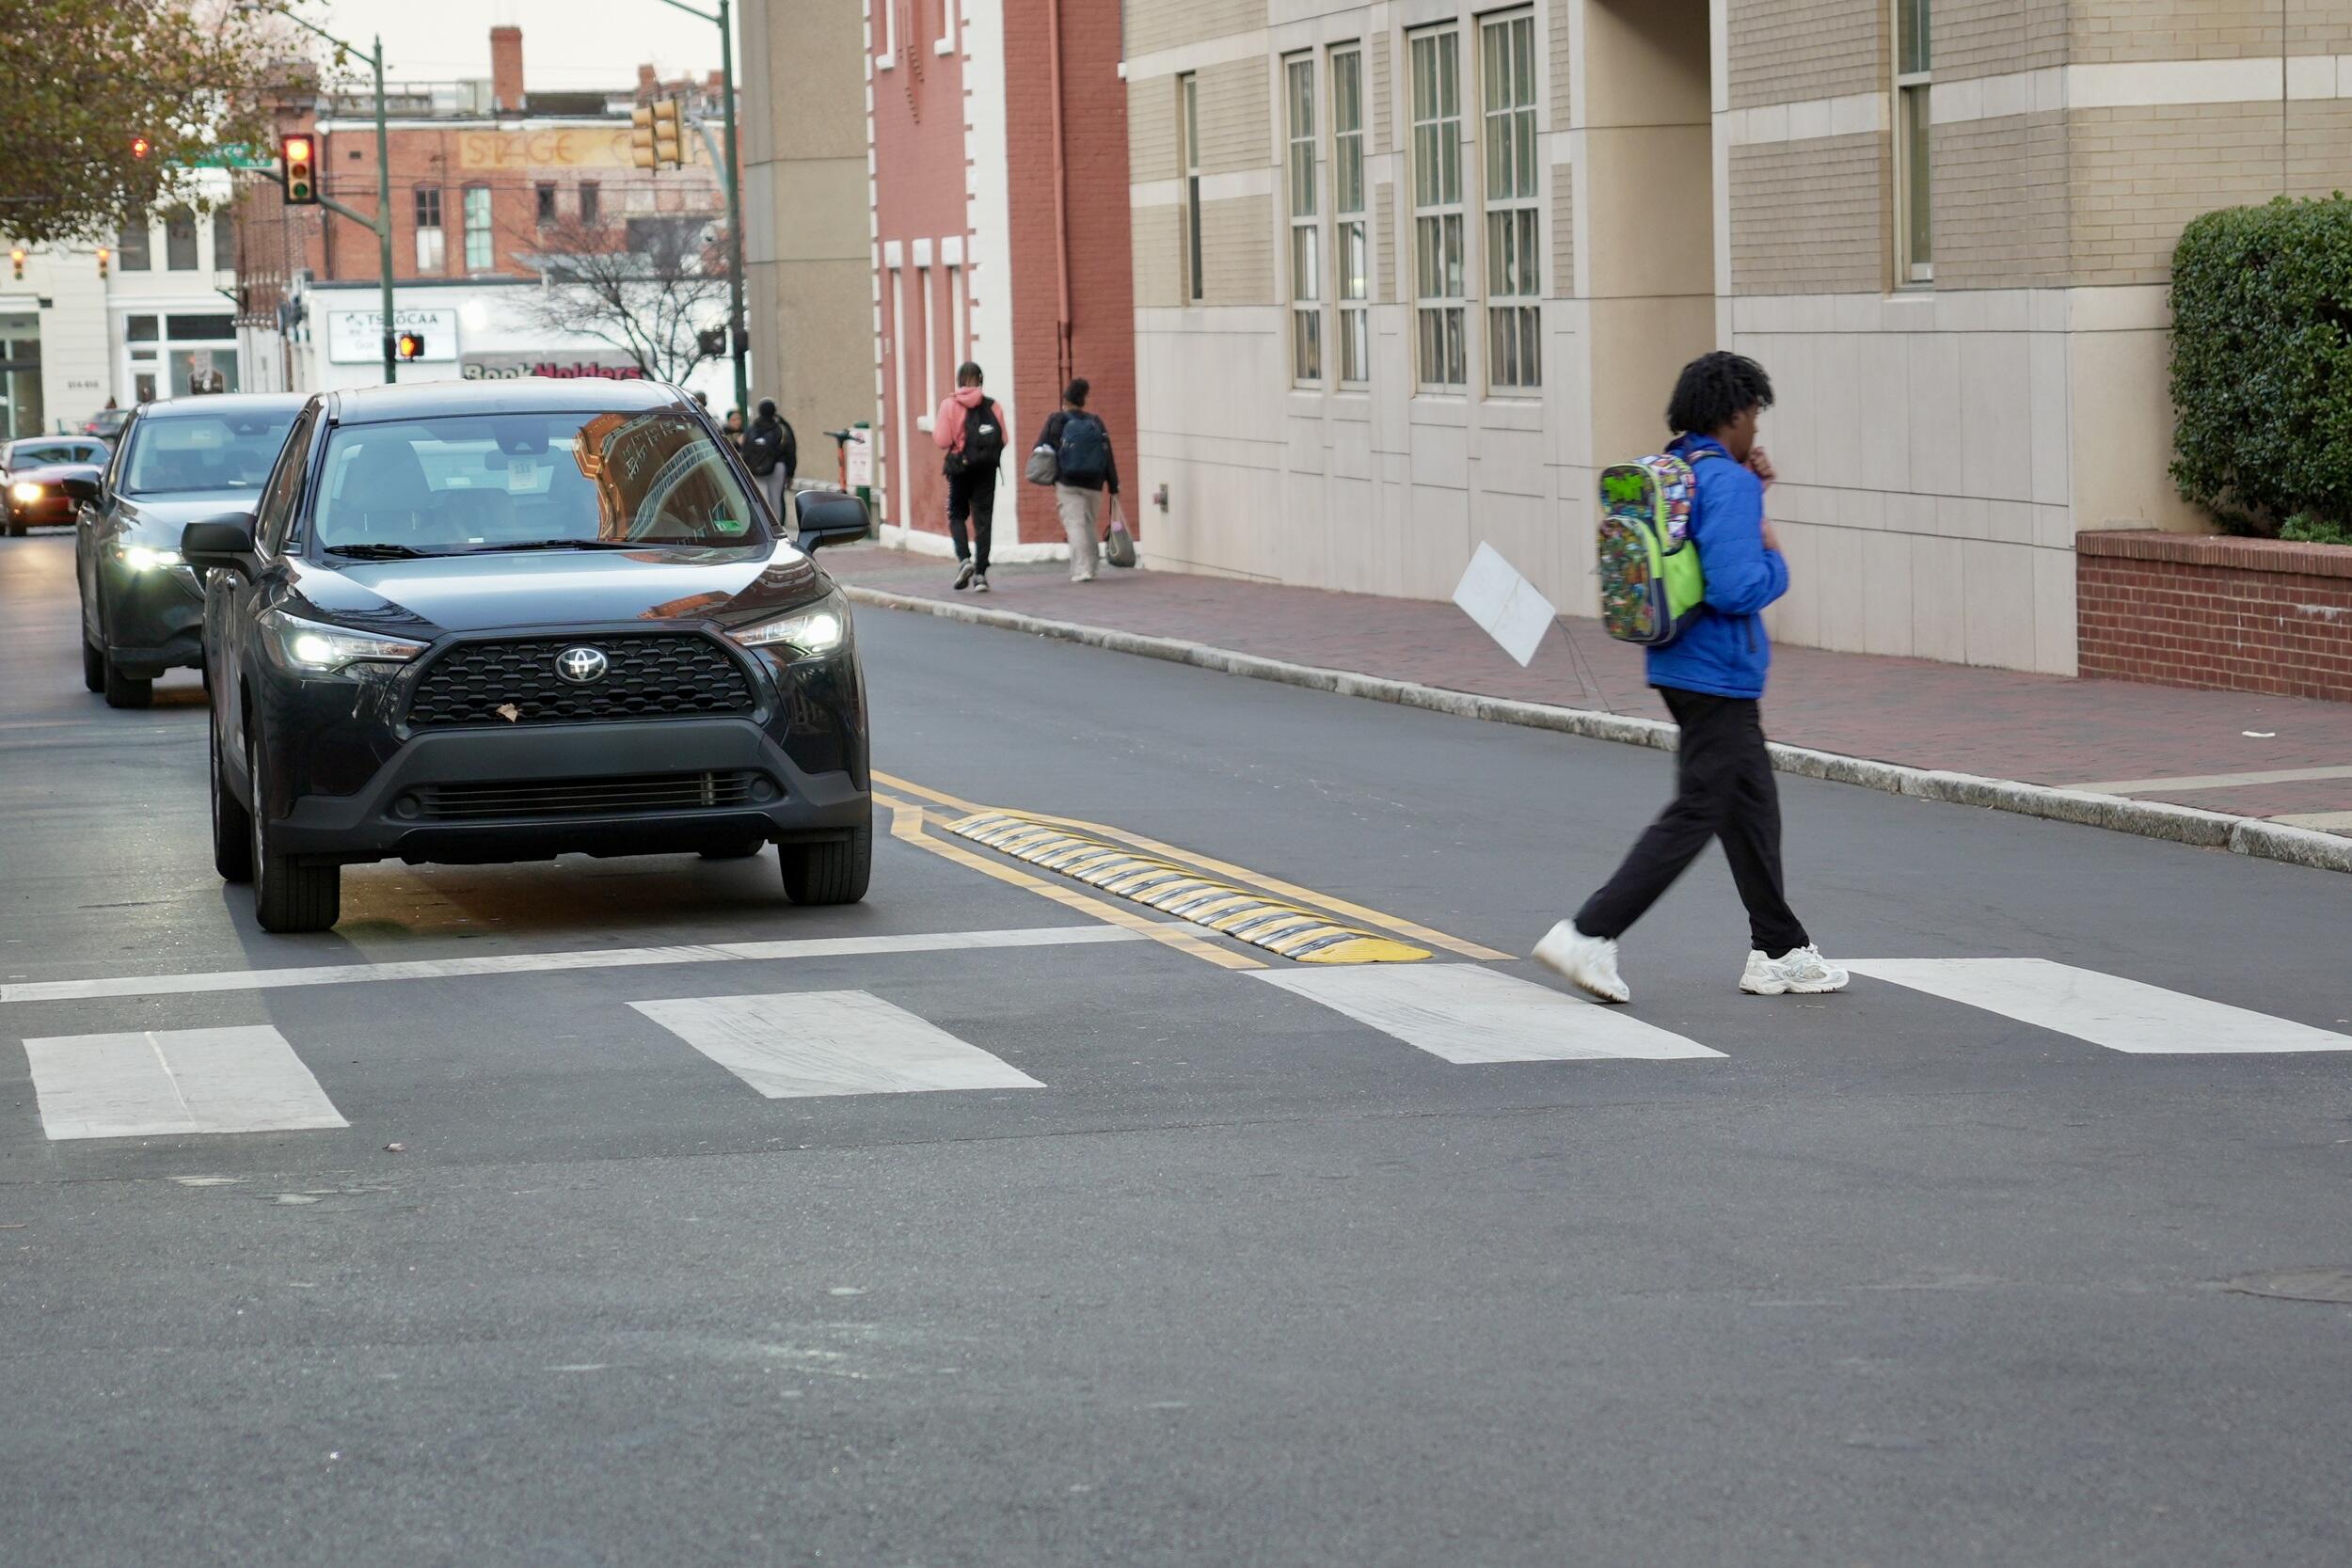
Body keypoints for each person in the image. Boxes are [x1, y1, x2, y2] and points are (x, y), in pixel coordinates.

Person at [1534, 351, 1848, 1005]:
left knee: (1749, 805)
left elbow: (1700, 546)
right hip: (1719, 671)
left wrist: (1751, 492)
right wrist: (1778, 560)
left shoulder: (1678, 468)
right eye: (1755, 413)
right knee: (1702, 807)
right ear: (1733, 411)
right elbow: (1736, 584)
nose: (1758, 429)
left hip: (1679, 661)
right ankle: (1590, 931)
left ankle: (1779, 948)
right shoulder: (1727, 483)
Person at [1032, 378, 1120, 583]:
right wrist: (1113, 484)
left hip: (1067, 481)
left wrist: (1049, 475)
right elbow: (1108, 454)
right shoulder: (1095, 422)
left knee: (1075, 524)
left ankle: (1082, 569)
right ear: (1083, 400)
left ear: (1065, 400)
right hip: (1095, 482)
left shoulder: (1057, 420)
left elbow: (1041, 448)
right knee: (1089, 523)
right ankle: (1093, 566)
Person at [932, 361, 1007, 592]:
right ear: (980, 379)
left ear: (959, 380)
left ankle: (964, 559)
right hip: (986, 469)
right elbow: (1003, 439)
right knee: (983, 519)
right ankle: (981, 575)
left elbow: (942, 440)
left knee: (957, 514)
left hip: (960, 467)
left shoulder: (949, 405)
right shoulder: (993, 406)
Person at [742, 399, 795, 523]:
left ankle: (763, 524)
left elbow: (745, 449)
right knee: (776, 498)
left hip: (755, 469)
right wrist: (791, 473)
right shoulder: (781, 428)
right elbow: (790, 450)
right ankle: (777, 525)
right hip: (777, 467)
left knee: (761, 497)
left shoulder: (751, 429)